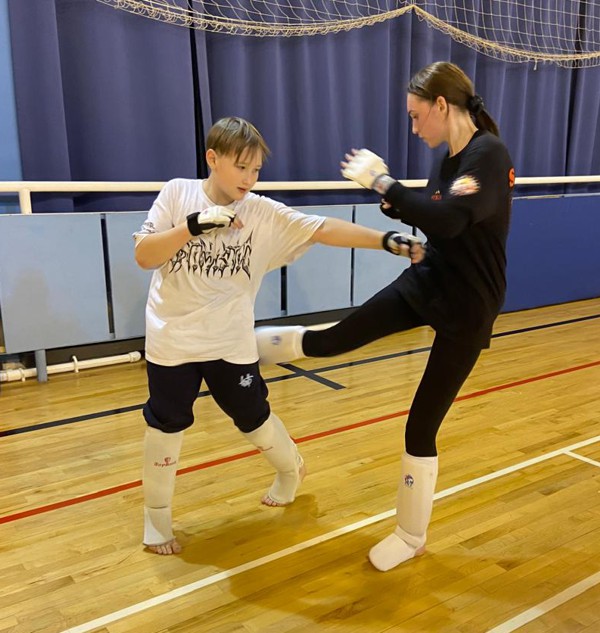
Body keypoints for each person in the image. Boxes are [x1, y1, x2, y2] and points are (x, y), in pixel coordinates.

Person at [255, 62, 514, 571]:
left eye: (417, 116)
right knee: (334, 339)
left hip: (469, 305)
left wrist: (386, 183)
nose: (414, 128)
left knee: (420, 426)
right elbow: (434, 213)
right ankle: (244, 346)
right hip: (429, 281)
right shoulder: (450, 160)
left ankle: (410, 536)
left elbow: (449, 218)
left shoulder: (488, 154)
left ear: (442, 105)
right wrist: (395, 203)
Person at [133, 116, 423, 555]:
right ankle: (156, 517)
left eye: (256, 170)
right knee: (165, 425)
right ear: (212, 158)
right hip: (171, 339)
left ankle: (291, 470)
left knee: (254, 418)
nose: (249, 179)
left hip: (229, 341)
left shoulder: (260, 212)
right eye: (241, 167)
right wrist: (193, 225)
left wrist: (386, 240)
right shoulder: (177, 193)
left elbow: (323, 228)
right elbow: (144, 256)